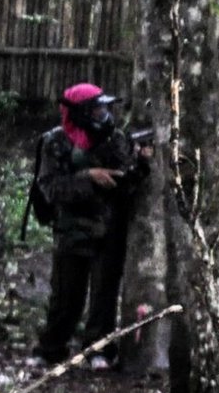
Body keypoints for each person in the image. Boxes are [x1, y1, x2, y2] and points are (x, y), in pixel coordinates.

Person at [31, 82, 152, 368]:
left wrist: (141, 165)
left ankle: (98, 349)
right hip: (72, 229)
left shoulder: (116, 139)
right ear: (82, 113)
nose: (104, 114)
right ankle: (51, 348)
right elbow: (51, 188)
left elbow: (126, 183)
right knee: (66, 297)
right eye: (97, 109)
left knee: (104, 296)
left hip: (109, 229)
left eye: (105, 108)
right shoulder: (56, 142)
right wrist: (89, 177)